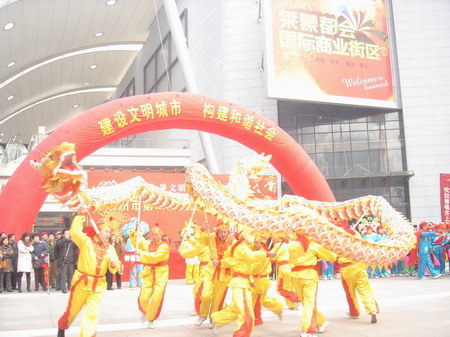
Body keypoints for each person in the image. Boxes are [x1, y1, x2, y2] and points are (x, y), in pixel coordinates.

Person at [57, 212, 119, 337]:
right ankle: (62, 327)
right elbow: (74, 232)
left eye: (109, 232)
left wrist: (114, 264)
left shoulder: (110, 249)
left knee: (92, 315)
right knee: (72, 312)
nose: (108, 234)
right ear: (98, 231)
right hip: (82, 283)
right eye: (105, 231)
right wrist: (81, 214)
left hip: (98, 286)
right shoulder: (86, 241)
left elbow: (116, 265)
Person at [210, 229, 269, 337]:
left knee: (237, 309)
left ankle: (217, 318)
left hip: (243, 282)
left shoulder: (244, 247)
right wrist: (267, 254)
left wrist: (251, 280)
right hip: (240, 283)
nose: (252, 237)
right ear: (245, 235)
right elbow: (251, 257)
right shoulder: (241, 247)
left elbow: (238, 264)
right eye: (251, 234)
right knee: (247, 313)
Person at [289, 232, 336, 337]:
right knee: (309, 303)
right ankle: (307, 330)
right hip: (308, 276)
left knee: (306, 303)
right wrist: (332, 250)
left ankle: (320, 322)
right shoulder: (312, 244)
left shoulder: (291, 244)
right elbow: (332, 257)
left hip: (295, 275)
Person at [130, 224, 169, 329]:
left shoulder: (164, 247)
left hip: (161, 273)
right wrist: (135, 232)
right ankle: (145, 311)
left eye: (156, 235)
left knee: (156, 298)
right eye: (153, 234)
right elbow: (137, 243)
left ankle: (151, 319)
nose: (154, 236)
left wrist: (140, 253)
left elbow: (155, 257)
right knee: (144, 297)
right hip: (148, 272)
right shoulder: (148, 244)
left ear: (161, 235)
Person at [251, 233, 283, 326]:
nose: (255, 244)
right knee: (262, 299)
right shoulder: (258, 251)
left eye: (257, 243)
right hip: (255, 279)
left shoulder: (263, 253)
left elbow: (254, 266)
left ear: (262, 244)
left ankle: (257, 320)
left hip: (260, 280)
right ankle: (278, 307)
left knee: (257, 301)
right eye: (255, 242)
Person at [270, 232, 299, 310]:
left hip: (283, 268)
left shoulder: (277, 246)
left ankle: (296, 297)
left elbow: (272, 257)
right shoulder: (288, 245)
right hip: (290, 267)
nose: (272, 240)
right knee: (289, 287)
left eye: (273, 238)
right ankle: (292, 304)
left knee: (280, 289)